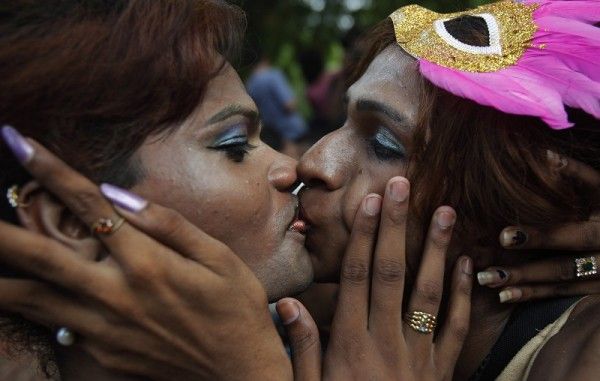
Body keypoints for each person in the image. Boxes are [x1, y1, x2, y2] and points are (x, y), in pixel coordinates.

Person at [0, 0, 600, 380]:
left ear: (531, 200)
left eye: (384, 145)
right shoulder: (298, 316)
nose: (308, 161)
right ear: (72, 221)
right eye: (232, 145)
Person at [246, 46, 308, 158]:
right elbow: (289, 105)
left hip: (273, 134)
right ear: (265, 58)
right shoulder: (273, 76)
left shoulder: (250, 84)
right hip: (293, 132)